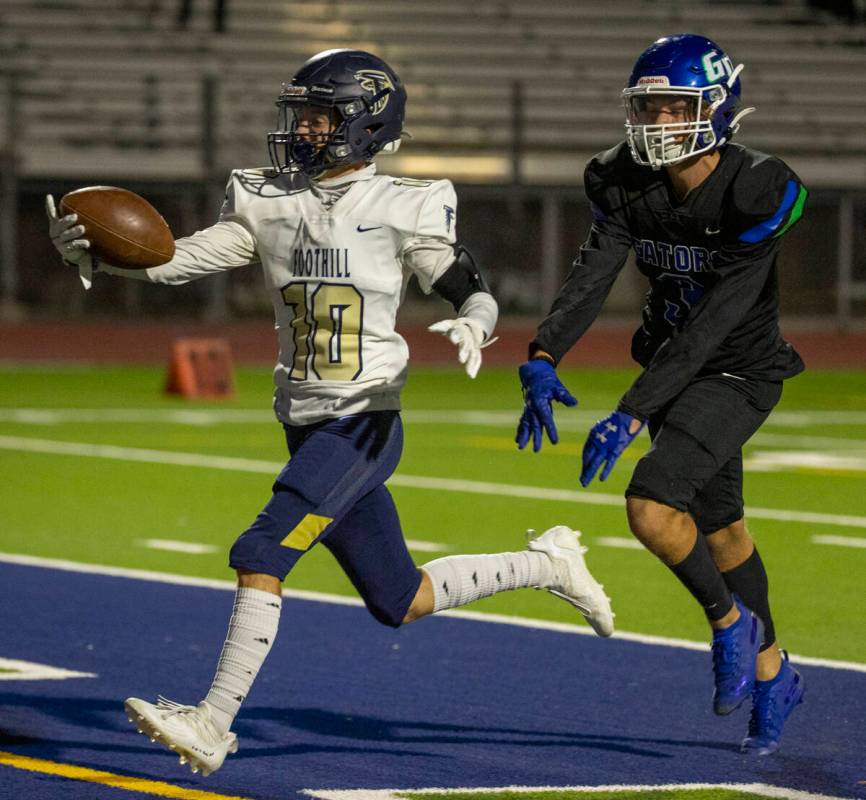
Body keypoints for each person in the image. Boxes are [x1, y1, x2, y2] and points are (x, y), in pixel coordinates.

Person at [47, 49, 614, 777]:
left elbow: (466, 283)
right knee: (399, 598)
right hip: (306, 421)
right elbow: (175, 258)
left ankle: (213, 723)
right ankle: (548, 564)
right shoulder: (264, 197)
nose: (303, 130)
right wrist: (93, 249)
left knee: (262, 550)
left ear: (367, 124)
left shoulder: (407, 203)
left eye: (319, 116)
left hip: (365, 420)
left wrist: (476, 320)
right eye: (299, 115)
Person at [515, 34, 806, 756]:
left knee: (651, 504)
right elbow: (594, 275)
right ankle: (776, 673)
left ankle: (729, 624)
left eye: (675, 107)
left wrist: (632, 409)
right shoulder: (624, 183)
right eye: (648, 107)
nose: (658, 122)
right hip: (674, 366)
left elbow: (714, 324)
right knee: (725, 532)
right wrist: (545, 352)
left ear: (716, 106)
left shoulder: (755, 189)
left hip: (737, 369)